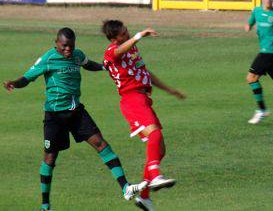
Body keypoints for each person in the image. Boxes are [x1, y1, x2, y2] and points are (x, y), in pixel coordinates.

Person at [3, 28, 146, 211]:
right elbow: (27, 78)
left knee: (101, 144)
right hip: (55, 116)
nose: (68, 49)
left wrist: (104, 66)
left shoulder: (77, 55)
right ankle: (45, 207)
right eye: (64, 46)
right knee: (50, 158)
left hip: (76, 112)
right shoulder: (48, 59)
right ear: (56, 43)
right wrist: (14, 83)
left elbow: (87, 64)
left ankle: (126, 188)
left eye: (71, 45)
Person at [101, 20, 185, 211]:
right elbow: (117, 52)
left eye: (127, 31)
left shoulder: (131, 50)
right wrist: (139, 36)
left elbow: (145, 73)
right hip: (131, 100)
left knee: (160, 150)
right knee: (154, 135)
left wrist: (170, 90)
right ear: (114, 38)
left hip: (143, 99)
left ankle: (145, 198)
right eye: (123, 34)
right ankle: (155, 175)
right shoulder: (111, 51)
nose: (128, 34)